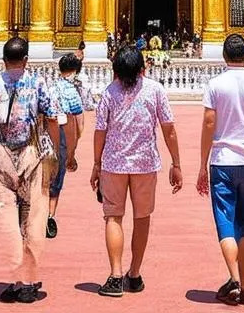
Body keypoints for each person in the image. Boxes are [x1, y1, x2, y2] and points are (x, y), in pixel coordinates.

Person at [0, 36, 65, 304]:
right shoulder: (38, 82)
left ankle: (19, 279)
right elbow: (52, 118)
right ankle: (28, 281)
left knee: (8, 216)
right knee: (33, 215)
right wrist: (53, 151)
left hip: (0, 155)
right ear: (26, 59)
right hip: (31, 154)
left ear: (4, 60)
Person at [91, 46, 182, 298]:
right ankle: (134, 274)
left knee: (113, 217)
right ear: (143, 67)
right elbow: (169, 129)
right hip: (145, 164)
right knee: (142, 217)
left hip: (114, 164)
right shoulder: (155, 90)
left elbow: (100, 131)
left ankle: (115, 275)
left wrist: (96, 164)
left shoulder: (109, 93)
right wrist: (176, 163)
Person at [197, 33, 244, 306]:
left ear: (224, 56)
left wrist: (203, 164)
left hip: (223, 161)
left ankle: (232, 277)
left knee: (227, 227)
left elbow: (208, 123)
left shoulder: (215, 84)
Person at [46, 54, 82, 238]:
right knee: (56, 181)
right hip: (60, 138)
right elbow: (76, 125)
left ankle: (36, 214)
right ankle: (50, 215)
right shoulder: (72, 92)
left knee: (43, 180)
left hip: (44, 140)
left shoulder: (48, 88)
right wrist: (71, 153)